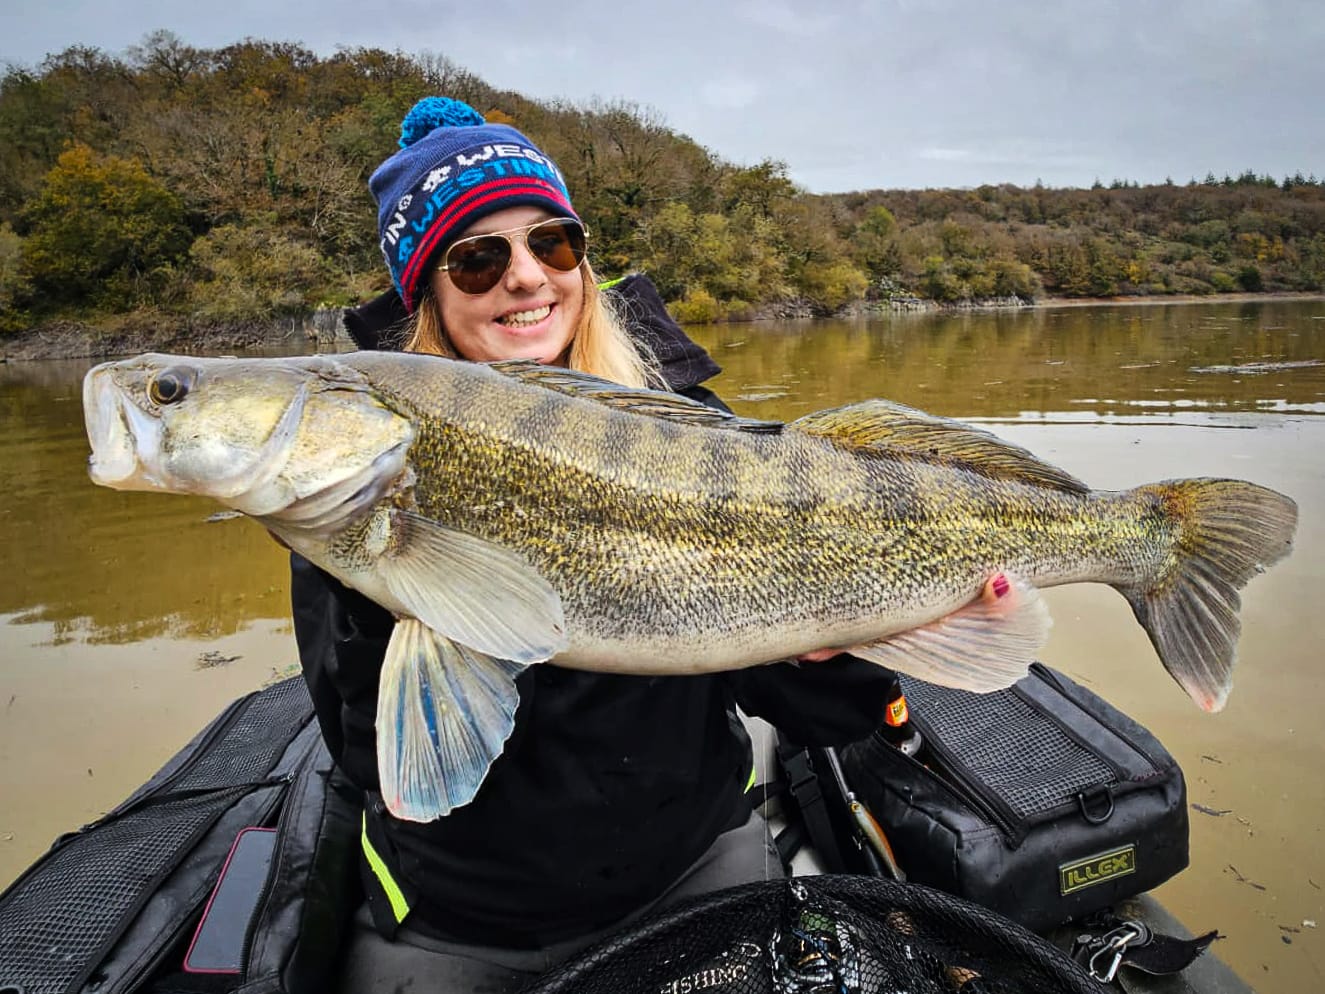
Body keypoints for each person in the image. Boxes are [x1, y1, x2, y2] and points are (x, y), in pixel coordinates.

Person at [290, 96, 895, 993]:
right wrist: (404, 578)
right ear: (429, 293)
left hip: (693, 861)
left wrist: (835, 655)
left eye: (554, 244)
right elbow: (369, 756)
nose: (526, 277)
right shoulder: (358, 474)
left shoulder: (689, 431)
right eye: (477, 259)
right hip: (465, 914)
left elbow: (818, 713)